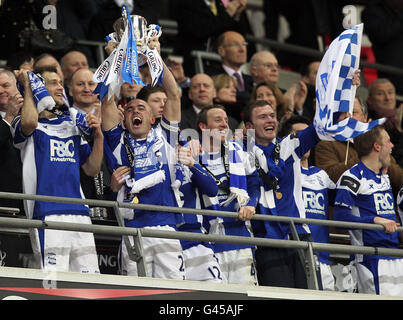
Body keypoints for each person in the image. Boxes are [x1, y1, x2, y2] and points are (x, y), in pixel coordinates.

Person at [101, 55, 186, 279]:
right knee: (135, 293)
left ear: (152, 118)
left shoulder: (166, 137)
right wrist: (115, 55)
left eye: (141, 108)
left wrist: (154, 55)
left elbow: (174, 94)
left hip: (166, 228)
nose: (135, 112)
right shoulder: (117, 141)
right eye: (130, 110)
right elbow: (107, 100)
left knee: (174, 293)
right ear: (124, 120)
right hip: (131, 228)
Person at [12, 67, 103, 273]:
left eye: (61, 82)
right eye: (53, 83)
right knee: (54, 283)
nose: (60, 87)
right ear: (38, 88)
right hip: (46, 212)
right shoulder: (23, 122)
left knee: (90, 282)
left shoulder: (70, 123)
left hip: (79, 212)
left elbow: (91, 169)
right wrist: (28, 85)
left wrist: (98, 136)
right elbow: (29, 122)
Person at [243, 100, 321, 288]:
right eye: (263, 117)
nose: (270, 120)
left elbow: (319, 128)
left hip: (298, 236)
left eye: (272, 116)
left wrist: (344, 87)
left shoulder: (289, 146)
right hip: (265, 240)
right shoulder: (239, 154)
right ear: (249, 127)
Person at [190, 104, 259, 285]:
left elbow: (254, 181)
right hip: (209, 240)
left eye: (226, 121)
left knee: (245, 295)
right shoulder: (192, 156)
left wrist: (251, 204)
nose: (224, 125)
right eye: (218, 120)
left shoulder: (240, 151)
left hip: (240, 238)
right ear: (203, 127)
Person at [333, 125, 403, 296]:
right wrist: (374, 221)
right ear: (377, 146)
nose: (392, 145)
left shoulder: (384, 178)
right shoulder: (352, 177)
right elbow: (340, 217)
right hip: (371, 258)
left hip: (395, 256)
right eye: (388, 141)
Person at [280, 115, 336, 291]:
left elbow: (344, 203)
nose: (305, 139)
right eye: (299, 134)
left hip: (323, 257)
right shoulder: (282, 176)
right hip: (297, 253)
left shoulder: (322, 175)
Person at [315, 97, 403, 199]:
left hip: (381, 206)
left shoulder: (377, 142)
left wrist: (381, 157)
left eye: (353, 112)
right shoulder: (327, 143)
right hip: (346, 206)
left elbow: (399, 180)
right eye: (342, 113)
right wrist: (366, 155)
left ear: (364, 118)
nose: (347, 117)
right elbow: (327, 178)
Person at [173, 0, 251, 77]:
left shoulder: (221, 4)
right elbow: (200, 31)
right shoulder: (188, 4)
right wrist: (227, 14)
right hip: (194, 63)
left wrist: (237, 15)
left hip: (220, 63)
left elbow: (238, 36)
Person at [206, 30, 254, 122]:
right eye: (236, 44)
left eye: (244, 44)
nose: (242, 49)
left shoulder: (252, 80)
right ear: (221, 51)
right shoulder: (210, 76)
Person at [249, 50, 308, 120]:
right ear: (254, 70)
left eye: (276, 66)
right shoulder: (245, 90)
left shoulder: (284, 93)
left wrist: (298, 108)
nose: (274, 69)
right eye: (268, 65)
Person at [0, 69, 24, 214]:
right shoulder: (9, 116)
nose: (0, 90)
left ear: (17, 87)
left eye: (5, 85)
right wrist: (9, 116)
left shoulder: (33, 114)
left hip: (33, 198)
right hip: (4, 201)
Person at [366, 78, 403, 168]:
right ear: (370, 99)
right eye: (380, 94)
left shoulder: (401, 115)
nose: (387, 98)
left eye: (390, 92)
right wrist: (398, 130)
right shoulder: (368, 122)